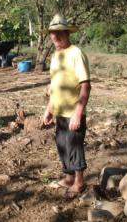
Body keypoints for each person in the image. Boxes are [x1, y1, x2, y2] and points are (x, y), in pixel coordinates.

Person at [42, 14, 91, 199]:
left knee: (74, 147)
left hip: (73, 111)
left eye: (58, 33)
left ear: (66, 32)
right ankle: (68, 178)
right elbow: (55, 86)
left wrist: (78, 113)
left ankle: (79, 183)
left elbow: (85, 85)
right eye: (52, 33)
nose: (54, 36)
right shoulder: (55, 56)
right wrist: (49, 109)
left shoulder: (76, 53)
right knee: (62, 144)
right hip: (60, 111)